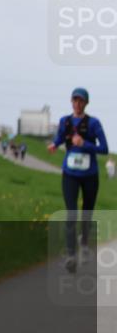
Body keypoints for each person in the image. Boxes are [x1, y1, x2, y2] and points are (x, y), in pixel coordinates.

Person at [48, 87, 109, 272]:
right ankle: (71, 255)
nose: (77, 103)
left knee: (86, 214)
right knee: (71, 213)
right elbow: (59, 138)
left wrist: (85, 144)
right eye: (74, 100)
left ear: (86, 103)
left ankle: (84, 244)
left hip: (90, 176)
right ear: (71, 102)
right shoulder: (64, 121)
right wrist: (54, 144)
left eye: (81, 100)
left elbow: (104, 149)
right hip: (70, 174)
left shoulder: (94, 123)